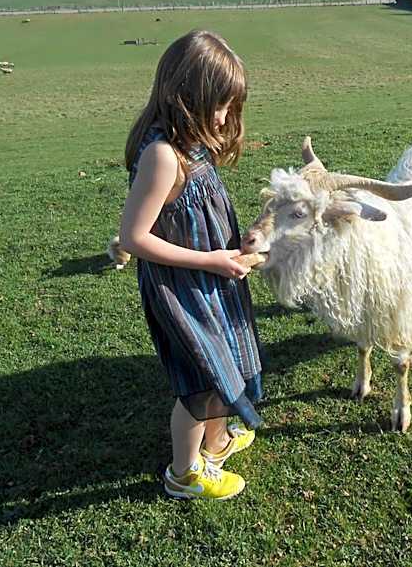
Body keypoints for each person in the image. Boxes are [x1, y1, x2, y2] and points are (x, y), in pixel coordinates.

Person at [119, 29, 264, 500]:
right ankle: (184, 474)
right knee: (199, 384)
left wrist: (235, 243)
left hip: (212, 277)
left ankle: (217, 442)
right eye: (217, 106)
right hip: (184, 291)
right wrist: (210, 259)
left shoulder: (194, 144)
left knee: (224, 366)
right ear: (185, 97)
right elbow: (133, 238)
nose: (224, 118)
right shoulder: (163, 156)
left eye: (229, 107)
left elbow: (203, 211)